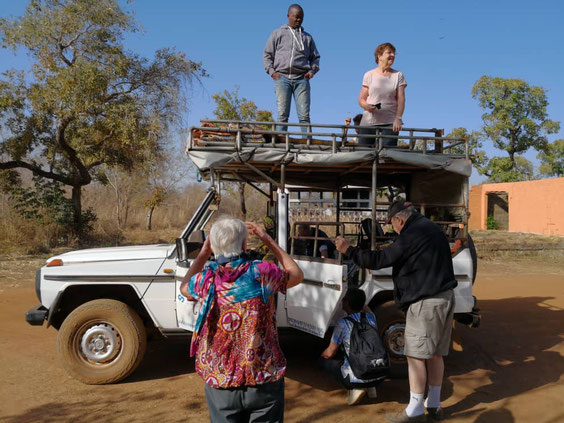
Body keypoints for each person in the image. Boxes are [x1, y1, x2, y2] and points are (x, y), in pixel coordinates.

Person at [335, 200, 457, 422]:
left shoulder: (412, 233)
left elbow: (381, 259)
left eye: (393, 224)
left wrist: (349, 250)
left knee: (415, 356)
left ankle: (415, 410)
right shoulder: (430, 228)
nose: (393, 229)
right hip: (445, 297)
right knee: (436, 354)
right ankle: (434, 404)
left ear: (400, 219)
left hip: (426, 302)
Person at [180, 216, 304, 423]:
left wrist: (203, 254)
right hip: (262, 376)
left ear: (213, 245)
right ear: (245, 244)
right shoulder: (262, 272)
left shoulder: (206, 280)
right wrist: (268, 240)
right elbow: (297, 275)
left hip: (220, 381)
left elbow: (185, 287)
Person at [320, 288, 383, 405]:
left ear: (348, 303)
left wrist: (322, 355)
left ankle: (356, 388)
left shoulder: (342, 323)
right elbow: (364, 307)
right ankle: (371, 387)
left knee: (324, 361)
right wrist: (359, 299)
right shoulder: (371, 317)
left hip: (356, 378)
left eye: (344, 300)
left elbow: (330, 352)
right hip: (379, 375)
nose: (342, 302)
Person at [263, 4, 320, 132]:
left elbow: (316, 58)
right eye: (296, 16)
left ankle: (307, 144)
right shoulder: (277, 33)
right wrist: (273, 73)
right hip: (282, 78)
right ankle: (280, 145)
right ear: (288, 16)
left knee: (304, 116)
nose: (298, 20)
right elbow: (267, 55)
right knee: (283, 115)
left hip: (301, 79)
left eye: (301, 17)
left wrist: (311, 72)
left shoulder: (307, 37)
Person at [357, 42, 407, 147]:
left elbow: (401, 99)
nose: (392, 55)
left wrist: (398, 118)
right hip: (368, 121)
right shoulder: (369, 75)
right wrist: (365, 105)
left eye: (394, 53)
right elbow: (361, 99)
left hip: (390, 122)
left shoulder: (398, 75)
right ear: (379, 56)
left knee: (387, 155)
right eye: (389, 52)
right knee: (363, 153)